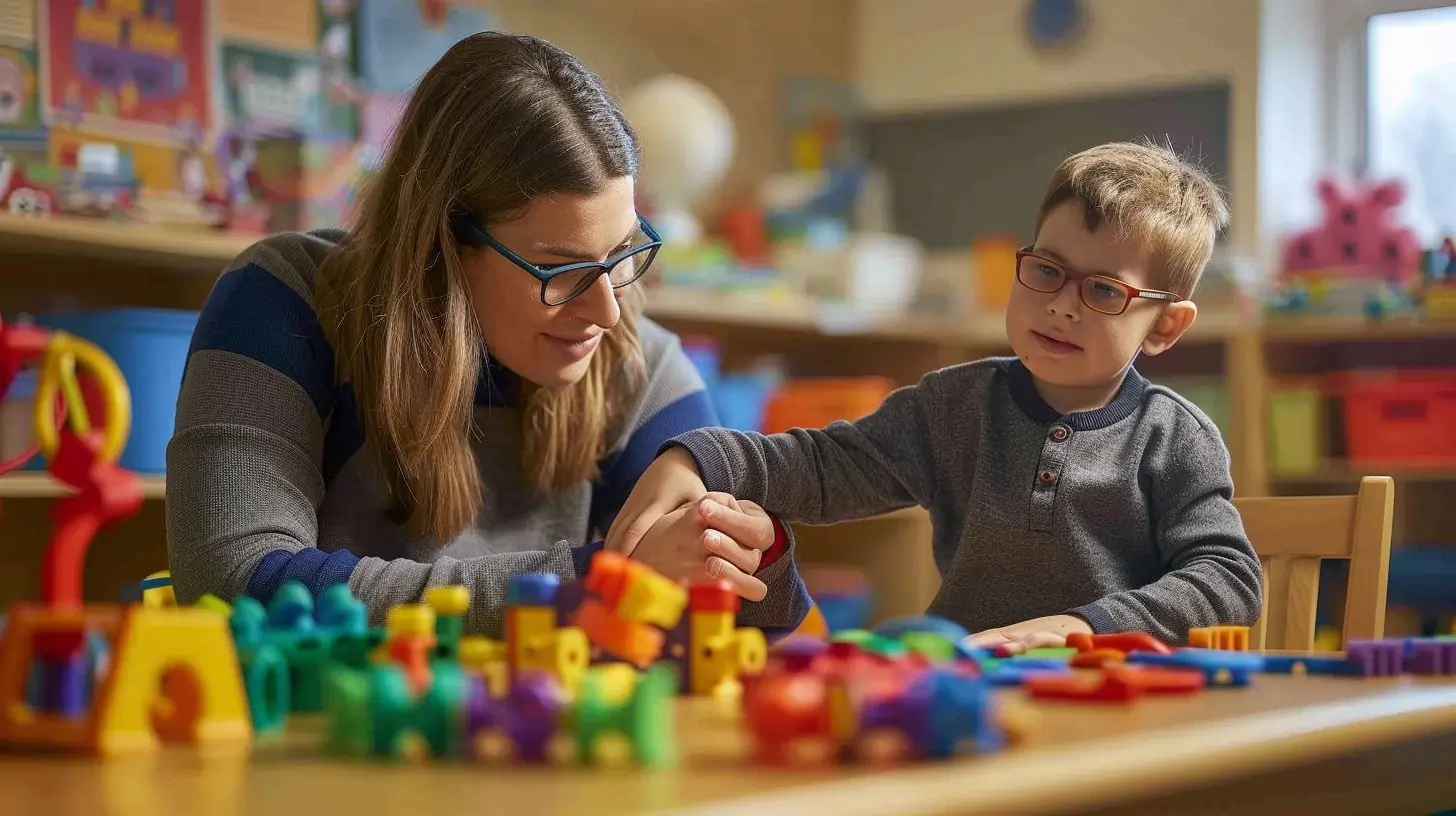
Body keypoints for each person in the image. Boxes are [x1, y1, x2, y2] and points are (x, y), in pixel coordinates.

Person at [166, 33, 810, 638]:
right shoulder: (286, 300)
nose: (608, 311)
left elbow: (760, 616)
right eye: (560, 269)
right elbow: (231, 581)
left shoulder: (636, 358)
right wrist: (586, 588)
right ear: (443, 242)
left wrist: (750, 550)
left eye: (620, 254)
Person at [609, 140, 1264, 650]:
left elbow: (1228, 579)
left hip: (1115, 703)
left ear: (1166, 325)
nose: (1061, 306)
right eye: (1046, 271)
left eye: (1102, 291)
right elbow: (825, 466)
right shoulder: (955, 408)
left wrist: (1085, 627)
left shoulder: (1175, 438)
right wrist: (701, 459)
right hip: (968, 683)